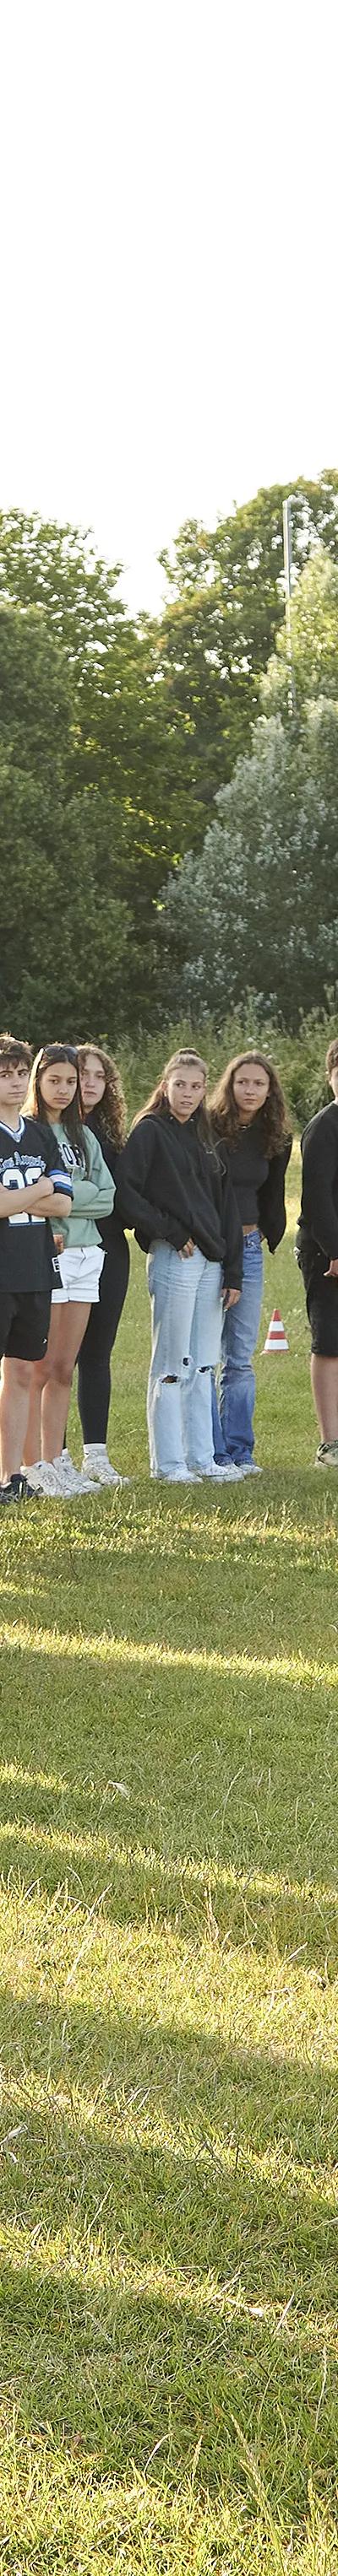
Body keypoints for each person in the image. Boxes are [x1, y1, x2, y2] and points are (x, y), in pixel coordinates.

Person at [116, 1047, 243, 1482]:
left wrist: (232, 1269)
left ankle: (201, 1458)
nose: (188, 1094)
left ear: (205, 1089)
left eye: (196, 1086)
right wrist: (169, 1230)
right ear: (165, 1084)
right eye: (180, 1084)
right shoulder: (150, 1131)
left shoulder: (209, 1136)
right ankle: (168, 1463)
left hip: (211, 1260)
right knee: (172, 1363)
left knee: (204, 1362)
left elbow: (226, 1206)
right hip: (176, 1256)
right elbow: (127, 1192)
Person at [17, 1044, 115, 1498]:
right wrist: (67, 1204)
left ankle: (57, 1460)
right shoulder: (31, 1134)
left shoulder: (84, 1135)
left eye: (71, 1081)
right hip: (48, 1253)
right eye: (54, 1079)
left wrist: (67, 1201)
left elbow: (107, 1195)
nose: (63, 1089)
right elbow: (38, 1198)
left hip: (87, 1255)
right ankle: (32, 1463)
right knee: (37, 1368)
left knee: (63, 1369)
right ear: (39, 1080)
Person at [210, 1051, 292, 1474]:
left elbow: (272, 1190)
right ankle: (211, 1451)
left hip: (250, 1247)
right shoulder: (209, 1128)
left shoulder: (274, 1136)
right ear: (230, 1084)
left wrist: (263, 1233)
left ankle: (240, 1451)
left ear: (269, 1089)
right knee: (205, 1354)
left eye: (259, 1084)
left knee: (240, 1357)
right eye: (243, 1082)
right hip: (209, 1249)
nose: (251, 1090)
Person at [0, 1032, 73, 1506]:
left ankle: (12, 1475)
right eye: (4, 1074)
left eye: (21, 1073)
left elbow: (64, 1202)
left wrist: (19, 1200)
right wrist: (35, 1189)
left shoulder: (40, 1133)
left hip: (34, 1269)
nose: (15, 1082)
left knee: (24, 1372)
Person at [75, 1044, 130, 1485]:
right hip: (61, 1251)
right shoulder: (45, 1131)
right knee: (53, 1359)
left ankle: (96, 1456)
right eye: (82, 1074)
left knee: (98, 1354)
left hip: (112, 1250)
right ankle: (47, 1457)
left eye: (99, 1076)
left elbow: (123, 1199)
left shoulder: (113, 1135)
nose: (90, 1083)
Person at [296, 1036, 338, 1466]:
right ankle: (330, 1443)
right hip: (327, 1253)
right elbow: (317, 1198)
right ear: (330, 1078)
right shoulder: (325, 1127)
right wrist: (334, 1252)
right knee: (330, 1343)